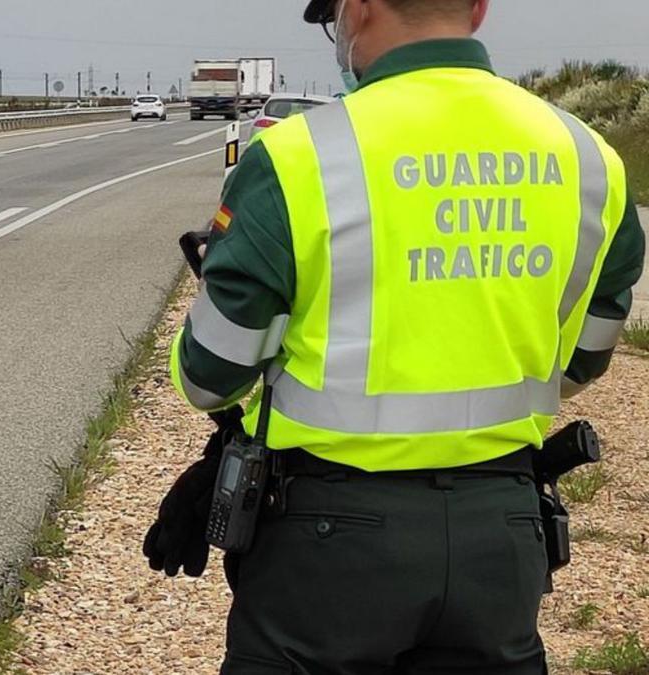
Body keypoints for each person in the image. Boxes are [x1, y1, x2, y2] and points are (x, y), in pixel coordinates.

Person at [143, 0, 647, 673]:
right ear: (477, 6)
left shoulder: (299, 157)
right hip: (502, 532)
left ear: (357, 8)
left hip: (326, 539)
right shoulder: (588, 157)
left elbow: (212, 374)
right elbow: (587, 353)